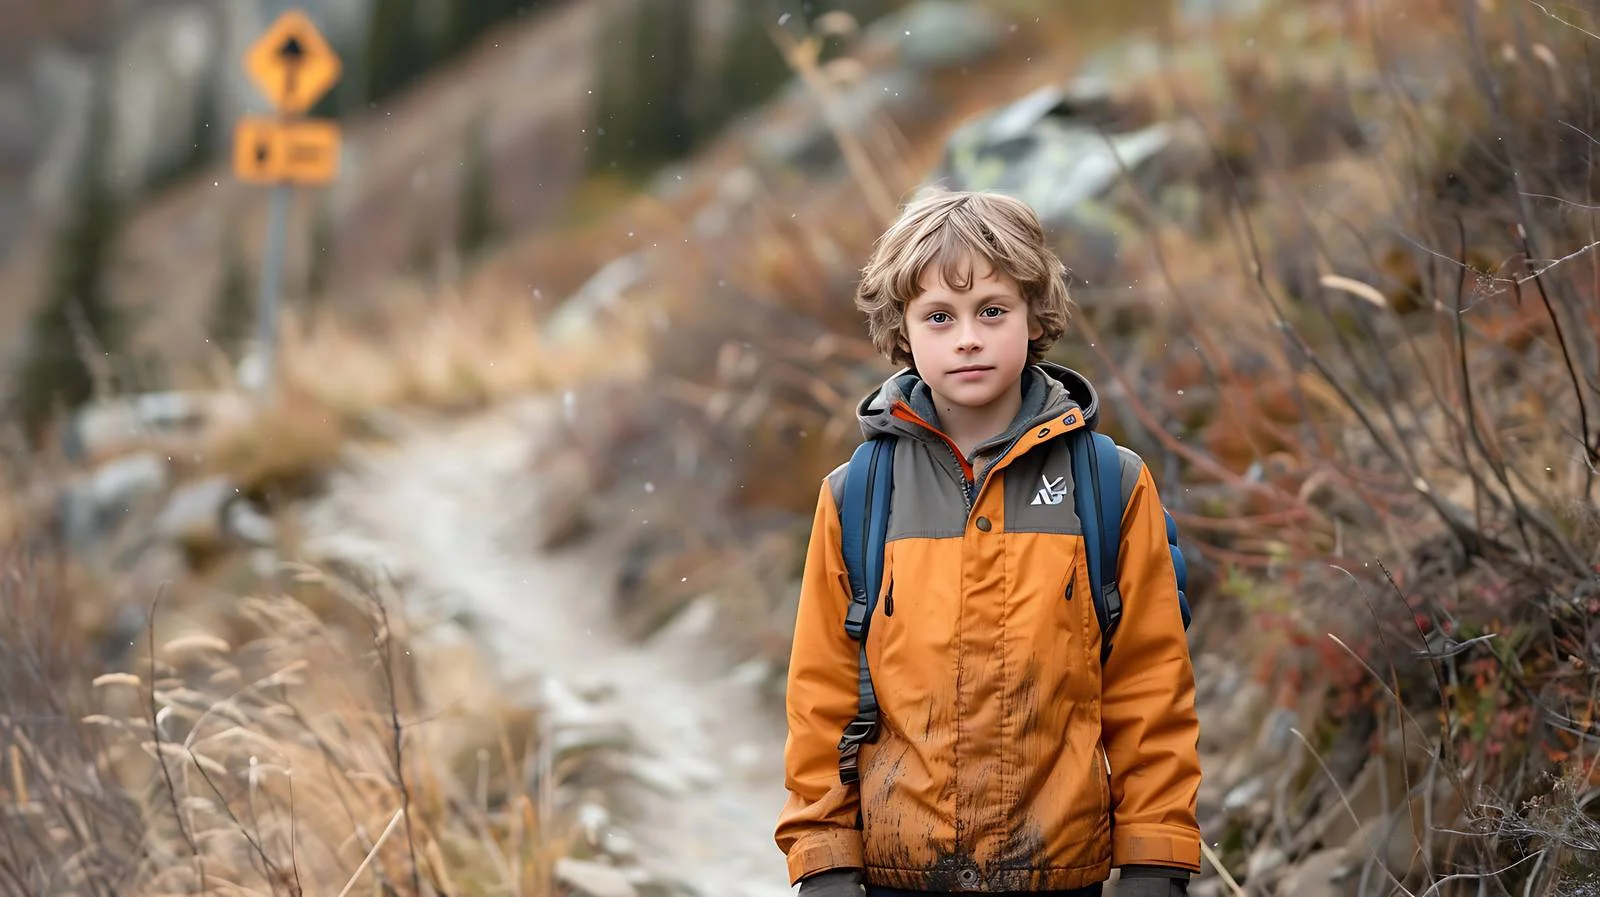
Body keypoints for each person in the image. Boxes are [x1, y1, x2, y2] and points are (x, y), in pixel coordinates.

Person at [773, 189, 1202, 896]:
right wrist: (823, 857)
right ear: (903, 330)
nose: (967, 336)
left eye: (992, 310)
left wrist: (1157, 857)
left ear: (1035, 315)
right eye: (939, 316)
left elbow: (1150, 688)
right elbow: (821, 697)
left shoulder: (1109, 485)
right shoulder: (857, 495)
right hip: (897, 874)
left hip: (1061, 873)